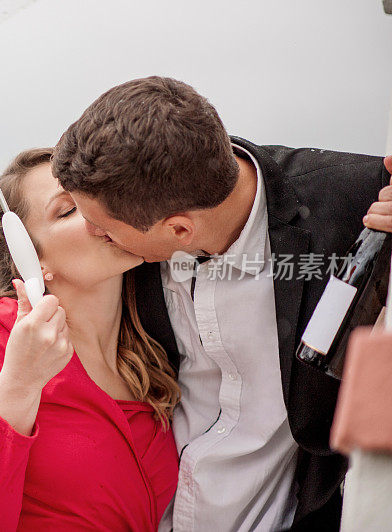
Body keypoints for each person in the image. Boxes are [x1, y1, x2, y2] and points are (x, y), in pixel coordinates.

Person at [50, 76, 392, 531]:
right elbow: (35, 288)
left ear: (178, 232)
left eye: (102, 227)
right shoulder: (135, 215)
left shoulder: (362, 198)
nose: (91, 234)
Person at [0, 148, 181, 530]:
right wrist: (20, 385)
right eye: (67, 210)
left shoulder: (150, 351)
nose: (99, 213)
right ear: (31, 261)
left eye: (97, 195)